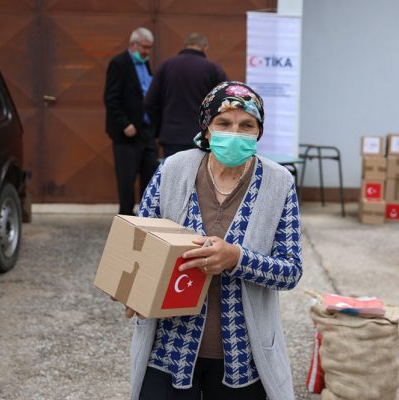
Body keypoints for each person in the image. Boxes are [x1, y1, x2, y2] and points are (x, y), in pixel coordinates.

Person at [126, 81, 303, 400]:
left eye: (246, 125)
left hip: (242, 357)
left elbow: (291, 271)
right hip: (169, 349)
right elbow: (139, 240)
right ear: (207, 129)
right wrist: (132, 289)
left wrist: (237, 258)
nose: (235, 133)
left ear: (259, 132)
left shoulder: (279, 183)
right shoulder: (173, 170)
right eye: (224, 123)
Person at [144, 33, 228, 158]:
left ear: (185, 46)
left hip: (172, 136)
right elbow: (225, 102)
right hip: (203, 136)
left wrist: (160, 127)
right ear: (205, 47)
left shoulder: (165, 66)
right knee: (199, 171)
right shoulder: (213, 69)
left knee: (174, 170)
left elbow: (149, 103)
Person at [104, 27, 159, 215]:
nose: (147, 52)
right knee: (126, 182)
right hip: (127, 134)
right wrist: (124, 124)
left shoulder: (146, 64)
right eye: (144, 47)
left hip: (146, 132)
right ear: (133, 44)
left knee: (150, 178)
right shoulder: (119, 64)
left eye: (149, 48)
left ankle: (145, 217)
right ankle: (126, 219)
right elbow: (111, 98)